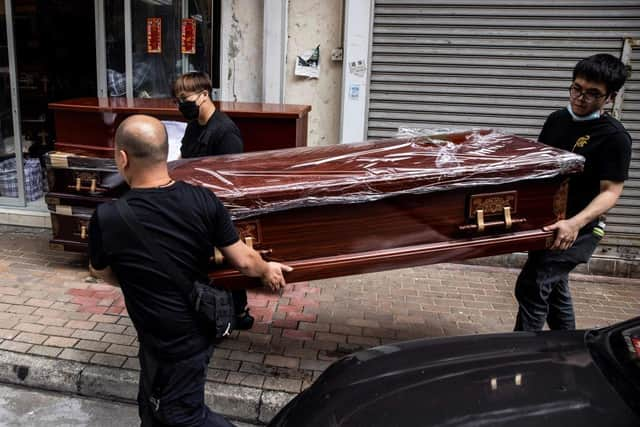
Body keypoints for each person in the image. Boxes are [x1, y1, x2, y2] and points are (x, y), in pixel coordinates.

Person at [88, 114, 292, 426]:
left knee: (183, 415)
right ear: (166, 153)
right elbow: (245, 260)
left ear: (122, 157)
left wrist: (140, 282)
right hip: (185, 328)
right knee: (152, 406)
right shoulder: (202, 199)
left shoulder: (108, 218)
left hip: (174, 337)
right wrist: (267, 270)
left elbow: (102, 272)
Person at [514, 53, 632, 331]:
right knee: (554, 290)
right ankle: (568, 351)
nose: (580, 98)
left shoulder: (614, 137)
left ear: (610, 98)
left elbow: (611, 192)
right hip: (549, 222)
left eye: (593, 94)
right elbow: (542, 167)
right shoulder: (556, 120)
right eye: (576, 88)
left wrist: (574, 223)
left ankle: (520, 355)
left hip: (580, 229)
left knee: (532, 286)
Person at [173, 71, 253, 329]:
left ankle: (234, 314)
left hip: (215, 208)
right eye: (178, 99)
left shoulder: (225, 131)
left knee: (222, 262)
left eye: (184, 97)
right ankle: (230, 313)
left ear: (204, 94)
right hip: (194, 203)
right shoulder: (194, 126)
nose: (180, 104)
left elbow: (232, 178)